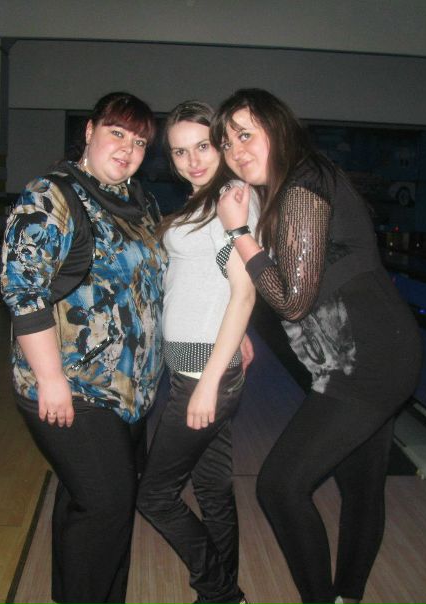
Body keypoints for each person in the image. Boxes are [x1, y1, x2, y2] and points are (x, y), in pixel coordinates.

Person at [214, 89, 422, 604]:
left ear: (278, 127)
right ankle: (348, 596)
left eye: (246, 134)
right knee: (361, 486)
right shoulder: (296, 184)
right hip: (373, 352)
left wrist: (239, 232)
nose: (236, 150)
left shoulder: (304, 184)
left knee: (279, 487)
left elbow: (292, 300)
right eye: (227, 143)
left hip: (366, 361)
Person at [0, 92, 166, 604]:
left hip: (129, 391)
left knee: (91, 502)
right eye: (117, 133)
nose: (128, 149)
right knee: (108, 505)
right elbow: (22, 291)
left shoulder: (141, 201)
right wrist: (51, 380)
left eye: (140, 142)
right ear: (90, 131)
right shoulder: (50, 195)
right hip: (73, 386)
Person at [136, 100, 259, 604]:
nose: (192, 160)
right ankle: (221, 596)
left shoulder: (231, 198)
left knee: (154, 496)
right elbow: (215, 284)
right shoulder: (201, 201)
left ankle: (221, 592)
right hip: (197, 366)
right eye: (180, 151)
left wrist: (208, 382)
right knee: (212, 490)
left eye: (203, 146)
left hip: (202, 375)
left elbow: (245, 290)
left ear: (221, 145)